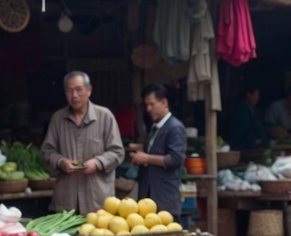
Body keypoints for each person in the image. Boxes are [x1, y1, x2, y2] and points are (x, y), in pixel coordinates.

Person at [41, 71, 125, 215]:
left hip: (97, 201)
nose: (74, 95)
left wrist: (98, 162)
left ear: (89, 90)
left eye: (79, 89)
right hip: (66, 201)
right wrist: (61, 161)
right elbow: (46, 151)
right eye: (69, 90)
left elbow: (117, 152)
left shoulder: (105, 116)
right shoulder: (58, 118)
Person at [130, 84, 186, 217]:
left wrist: (146, 158)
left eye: (152, 104)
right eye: (146, 105)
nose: (148, 109)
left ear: (164, 102)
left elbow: (175, 159)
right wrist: (141, 149)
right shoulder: (156, 127)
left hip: (165, 198)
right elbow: (157, 150)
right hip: (149, 197)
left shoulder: (174, 127)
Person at [227, 87, 270, 151]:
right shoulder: (240, 110)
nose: (257, 98)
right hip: (240, 148)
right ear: (248, 95)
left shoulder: (252, 111)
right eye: (256, 95)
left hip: (247, 147)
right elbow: (248, 127)